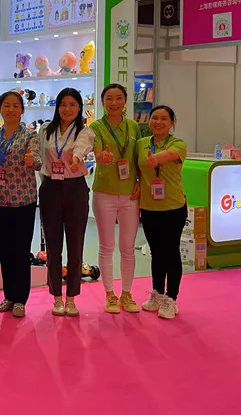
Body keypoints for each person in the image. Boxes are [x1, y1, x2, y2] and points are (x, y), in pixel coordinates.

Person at [0, 91, 41, 318]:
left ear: (22, 110)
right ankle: (8, 296)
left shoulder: (29, 136)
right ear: (0, 109)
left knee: (20, 251)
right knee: (4, 252)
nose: (11, 110)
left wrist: (33, 161)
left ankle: (20, 299)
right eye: (6, 105)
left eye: (15, 106)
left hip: (23, 202)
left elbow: (38, 161)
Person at [38, 88, 94, 317]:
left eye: (72, 105)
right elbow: (40, 156)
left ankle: (71, 298)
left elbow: (81, 147)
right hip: (51, 188)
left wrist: (76, 157)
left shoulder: (85, 131)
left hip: (75, 189)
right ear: (57, 107)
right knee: (53, 246)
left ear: (79, 107)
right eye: (63, 104)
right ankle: (56, 297)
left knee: (75, 245)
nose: (67, 109)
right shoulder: (45, 129)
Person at [90, 84, 142, 314]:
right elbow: (97, 152)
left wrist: (140, 181)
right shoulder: (97, 127)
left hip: (130, 194)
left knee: (128, 247)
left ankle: (127, 294)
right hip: (105, 193)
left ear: (125, 101)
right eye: (109, 98)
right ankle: (110, 294)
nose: (114, 103)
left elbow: (139, 157)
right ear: (103, 102)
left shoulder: (133, 126)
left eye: (119, 98)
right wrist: (102, 157)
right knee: (106, 246)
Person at [136, 105, 188, 320]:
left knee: (171, 252)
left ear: (172, 123)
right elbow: (137, 168)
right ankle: (157, 294)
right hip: (149, 207)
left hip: (173, 206)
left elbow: (171, 155)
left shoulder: (178, 144)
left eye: (164, 119)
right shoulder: (141, 143)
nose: (158, 122)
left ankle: (171, 298)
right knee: (156, 252)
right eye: (154, 118)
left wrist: (156, 158)